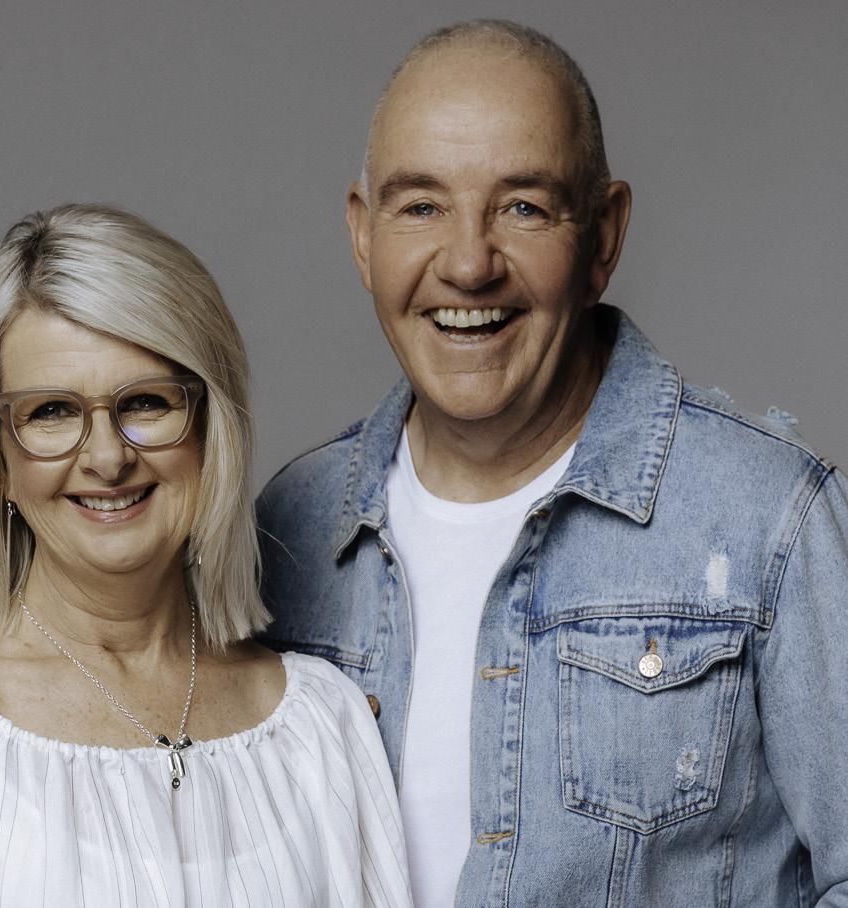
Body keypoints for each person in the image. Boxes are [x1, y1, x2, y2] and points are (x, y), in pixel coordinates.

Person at [256, 19, 848, 906]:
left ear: (603, 236)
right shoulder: (288, 526)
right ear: (362, 235)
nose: (468, 264)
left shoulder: (767, 518)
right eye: (420, 207)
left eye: (522, 208)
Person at [0, 203, 410, 907]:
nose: (107, 457)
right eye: (51, 412)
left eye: (146, 403)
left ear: (211, 429)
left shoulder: (320, 722)